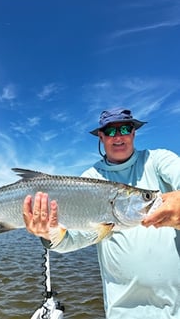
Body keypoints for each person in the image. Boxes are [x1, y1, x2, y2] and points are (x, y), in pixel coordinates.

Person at [23, 108, 180, 319]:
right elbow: (74, 238)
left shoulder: (159, 160)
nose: (118, 136)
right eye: (110, 131)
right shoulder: (90, 178)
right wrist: (47, 233)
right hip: (122, 311)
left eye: (125, 128)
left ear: (133, 133)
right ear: (101, 136)